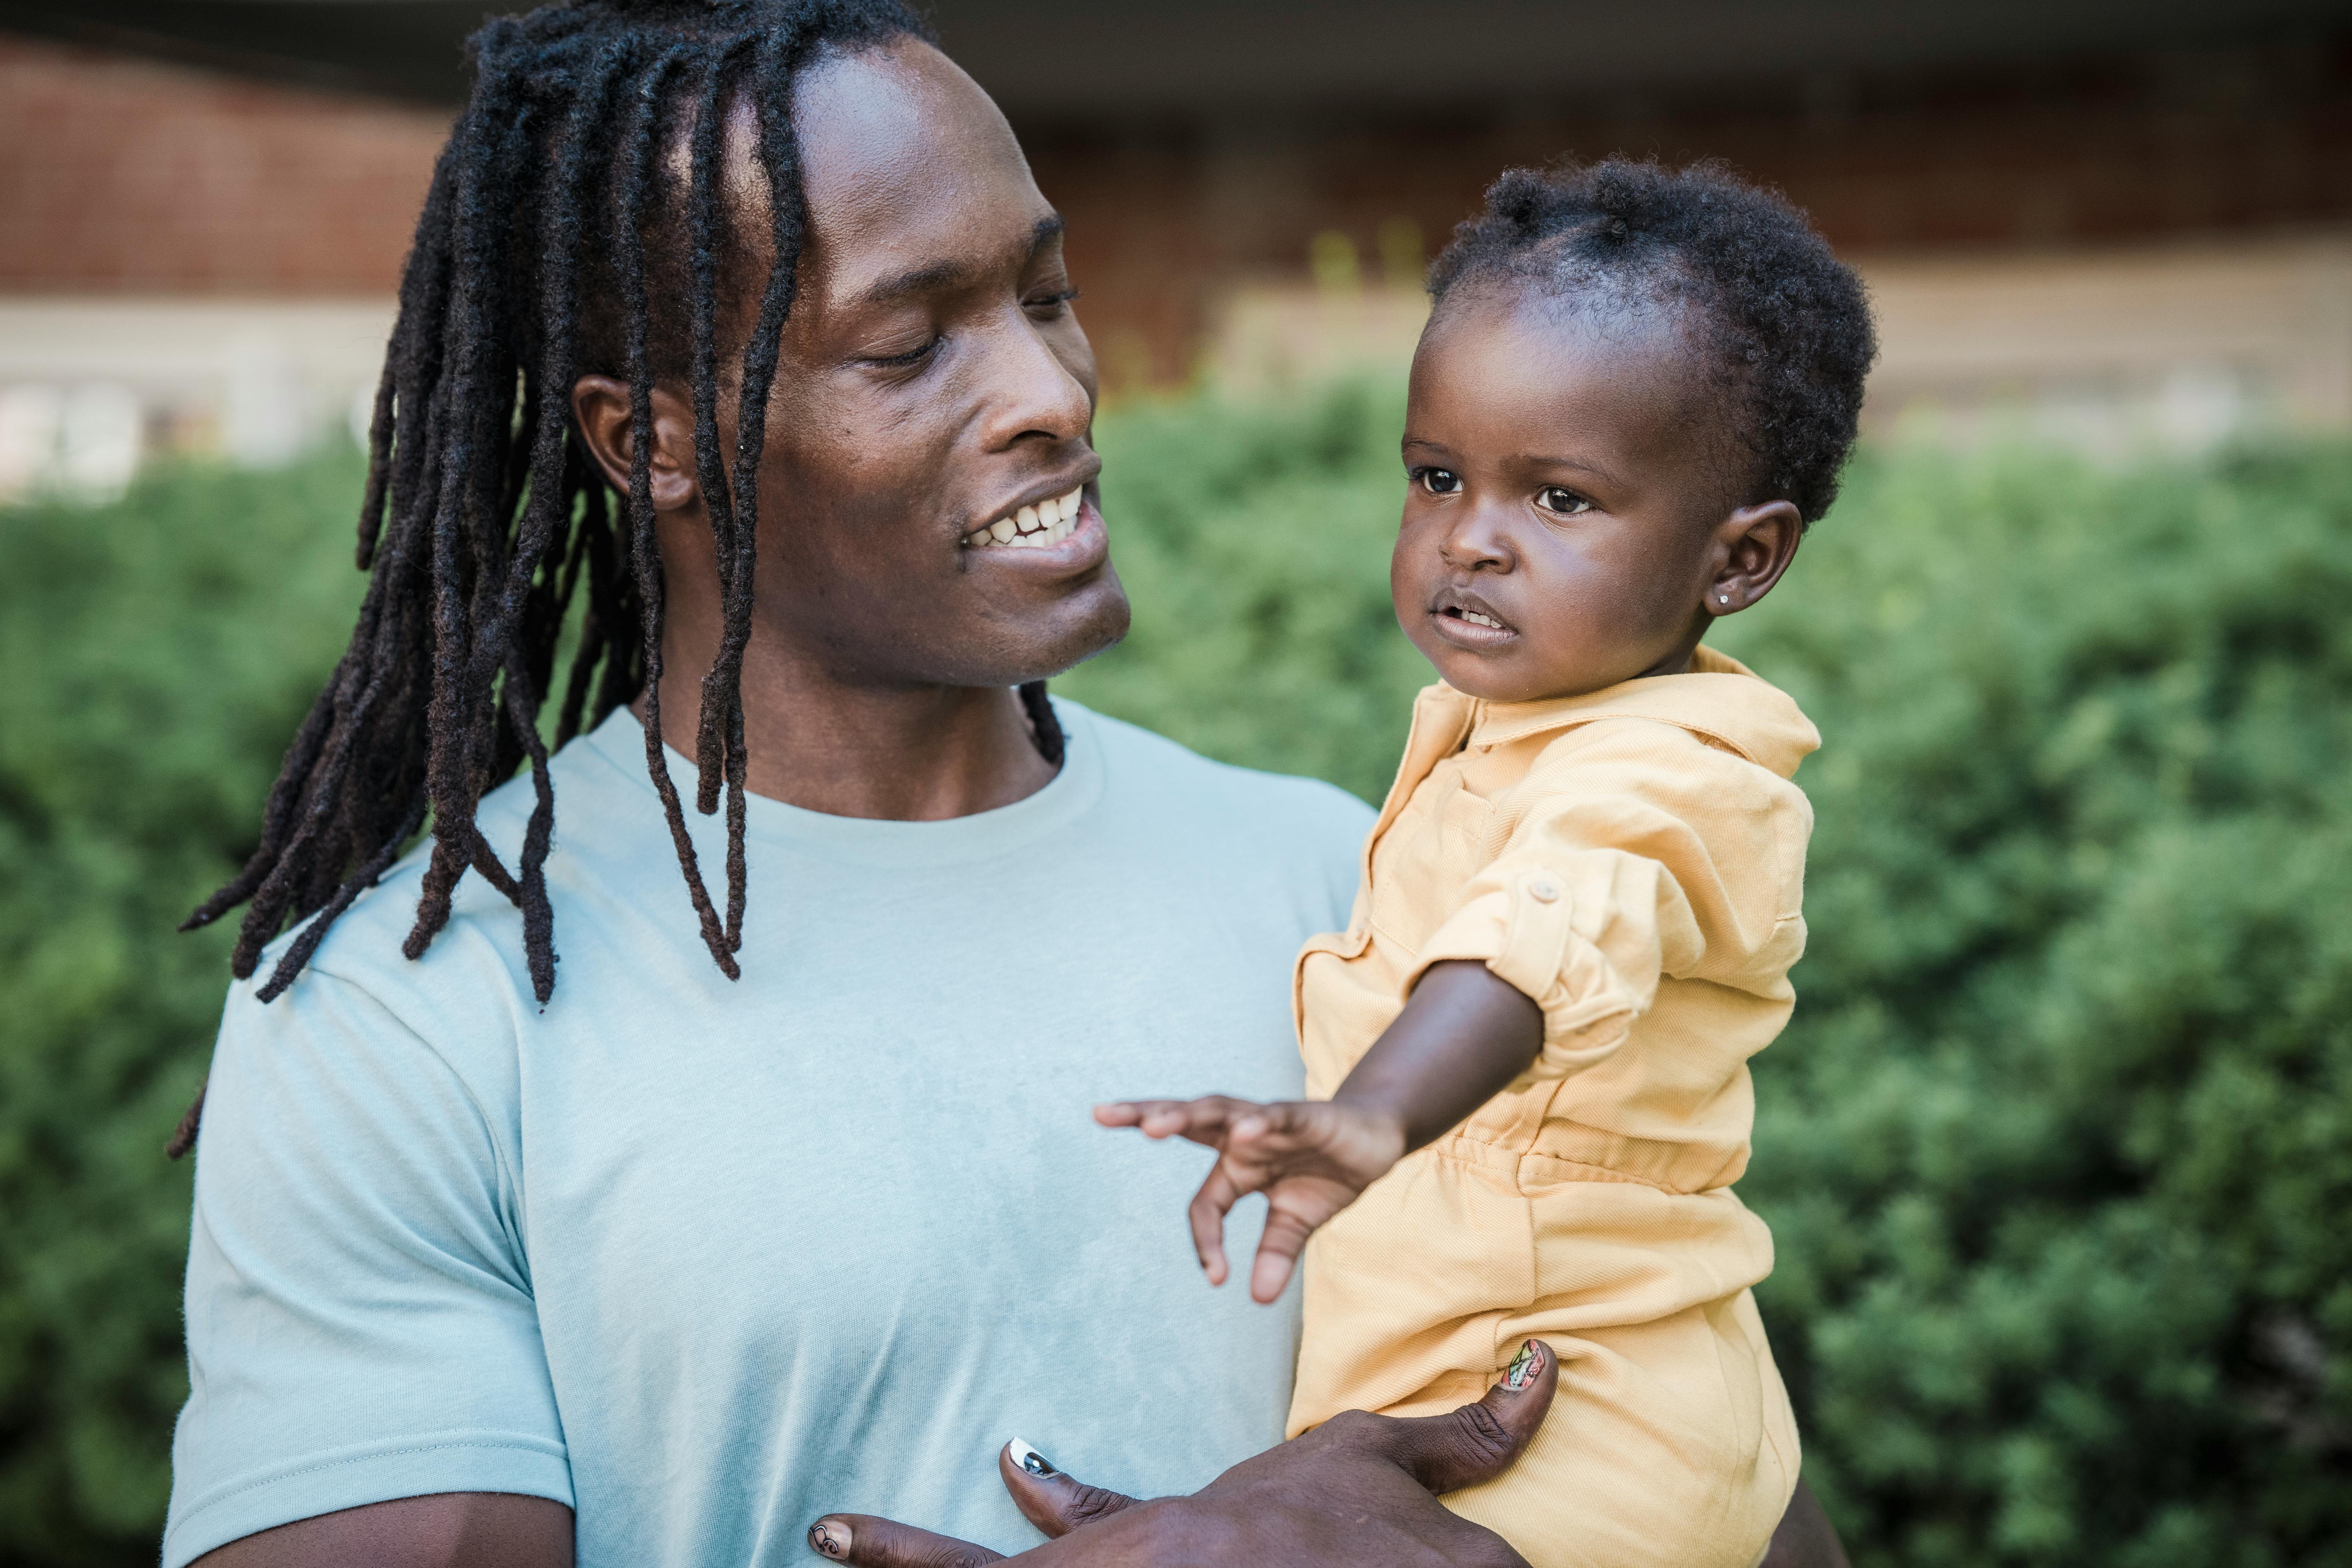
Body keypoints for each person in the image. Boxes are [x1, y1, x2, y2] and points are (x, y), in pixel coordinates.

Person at [158, 1, 1849, 1563]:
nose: (1054, 393)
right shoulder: (404, 1014)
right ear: (652, 439)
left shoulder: (1364, 886)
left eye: (1044, 295)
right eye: (911, 347)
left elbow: (1712, 1464)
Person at [1096, 161, 1876, 1568]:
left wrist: (1379, 1111)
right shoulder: (1506, 724)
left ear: (1741, 559)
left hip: (1578, 1426)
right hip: (1477, 1382)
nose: (1470, 537)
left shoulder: (1675, 774)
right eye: (1438, 476)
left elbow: (1545, 929)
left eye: (1561, 499)